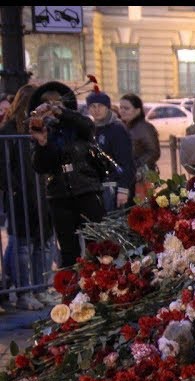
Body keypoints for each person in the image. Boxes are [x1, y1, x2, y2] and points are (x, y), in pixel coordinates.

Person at [30, 81, 104, 270]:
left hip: (86, 189)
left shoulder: (76, 124)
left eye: (55, 103)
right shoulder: (43, 130)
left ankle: (99, 288)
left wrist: (62, 113)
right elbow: (40, 166)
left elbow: (88, 127)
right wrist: (42, 144)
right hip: (59, 195)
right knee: (69, 252)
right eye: (46, 104)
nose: (50, 109)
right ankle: (72, 295)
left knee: (96, 246)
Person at [0, 84, 49, 309]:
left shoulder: (41, 127)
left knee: (42, 244)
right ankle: (24, 292)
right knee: (22, 245)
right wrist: (15, 188)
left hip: (41, 192)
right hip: (22, 193)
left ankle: (40, 289)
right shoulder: (10, 128)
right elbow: (4, 165)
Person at [84, 91, 134, 211]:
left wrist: (123, 189)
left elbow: (126, 162)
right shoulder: (90, 129)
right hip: (96, 187)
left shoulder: (117, 129)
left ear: (107, 107)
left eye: (100, 106)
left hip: (114, 187)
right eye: (92, 106)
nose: (96, 110)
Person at [117, 93, 159, 202]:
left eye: (126, 108)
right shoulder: (123, 127)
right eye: (121, 108)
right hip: (128, 177)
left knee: (141, 211)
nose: (122, 111)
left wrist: (136, 165)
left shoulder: (145, 128)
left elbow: (154, 152)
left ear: (137, 110)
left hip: (142, 178)